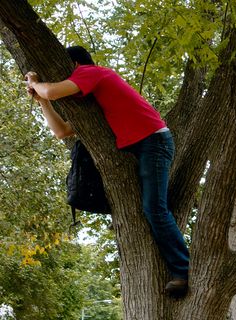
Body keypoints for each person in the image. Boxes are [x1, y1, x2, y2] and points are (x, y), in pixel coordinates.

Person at [25, 46, 189, 295]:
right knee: (149, 207)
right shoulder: (94, 97)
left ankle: (183, 270)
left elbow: (52, 90)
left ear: (74, 65)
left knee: (154, 208)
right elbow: (62, 131)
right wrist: (41, 102)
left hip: (153, 141)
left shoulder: (93, 73)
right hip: (140, 145)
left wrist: (36, 83)